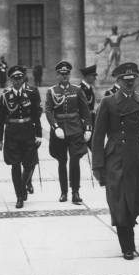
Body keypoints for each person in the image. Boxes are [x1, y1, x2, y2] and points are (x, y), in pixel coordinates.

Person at [92, 62, 139, 260]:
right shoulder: (108, 102)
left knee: (135, 201)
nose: (129, 83)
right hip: (116, 159)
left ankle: (129, 232)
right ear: (118, 81)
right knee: (119, 202)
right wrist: (98, 165)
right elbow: (98, 137)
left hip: (138, 159)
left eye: (132, 80)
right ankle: (127, 244)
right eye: (125, 81)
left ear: (137, 80)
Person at [46, 61, 92, 204]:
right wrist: (55, 127)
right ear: (57, 75)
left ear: (69, 75)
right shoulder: (52, 91)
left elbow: (85, 111)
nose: (64, 76)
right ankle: (63, 192)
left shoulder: (77, 90)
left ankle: (75, 192)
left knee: (75, 161)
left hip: (75, 129)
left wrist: (88, 129)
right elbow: (48, 110)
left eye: (66, 74)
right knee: (61, 161)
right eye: (61, 74)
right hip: (59, 130)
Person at [0, 66, 42, 208]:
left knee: (29, 164)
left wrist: (39, 134)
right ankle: (19, 196)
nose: (17, 81)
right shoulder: (5, 95)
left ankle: (23, 187)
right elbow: (0, 118)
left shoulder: (32, 93)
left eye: (19, 78)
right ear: (11, 80)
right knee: (15, 165)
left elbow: (36, 114)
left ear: (23, 78)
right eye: (14, 78)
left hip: (28, 132)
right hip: (12, 134)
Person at [79, 64, 97, 149]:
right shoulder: (80, 89)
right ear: (87, 76)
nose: (95, 78)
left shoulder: (89, 88)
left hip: (91, 119)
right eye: (93, 76)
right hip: (84, 121)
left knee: (93, 144)